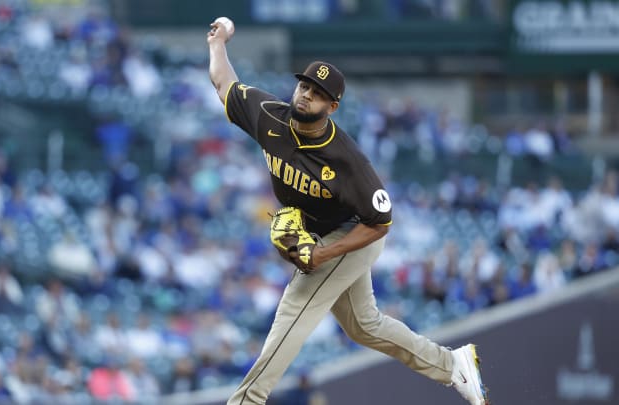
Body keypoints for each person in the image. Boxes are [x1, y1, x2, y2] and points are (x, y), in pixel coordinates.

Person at [206, 17, 489, 405]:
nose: (306, 95)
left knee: (295, 308)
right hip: (321, 231)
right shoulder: (268, 116)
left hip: (353, 234)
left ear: (332, 106)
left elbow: (381, 222)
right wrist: (218, 42)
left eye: (317, 93)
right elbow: (224, 83)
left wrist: (323, 254)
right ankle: (451, 365)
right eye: (304, 85)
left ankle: (245, 402)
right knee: (363, 326)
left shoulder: (347, 160)